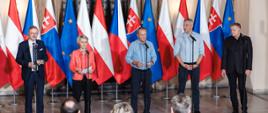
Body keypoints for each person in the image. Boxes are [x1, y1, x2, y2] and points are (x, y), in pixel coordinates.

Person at [173, 19, 204, 113]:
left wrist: (196, 64)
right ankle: (179, 109)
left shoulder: (198, 37)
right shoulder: (180, 37)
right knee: (181, 88)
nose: (184, 27)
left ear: (191, 26)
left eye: (186, 25)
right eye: (184, 25)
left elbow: (201, 53)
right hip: (183, 66)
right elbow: (176, 53)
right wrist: (183, 64)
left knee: (195, 88)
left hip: (195, 66)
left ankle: (196, 109)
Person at [221, 23, 253, 113]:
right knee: (232, 89)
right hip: (230, 69)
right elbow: (225, 55)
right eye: (231, 30)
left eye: (234, 30)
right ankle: (235, 108)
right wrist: (223, 68)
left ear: (239, 29)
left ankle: (244, 108)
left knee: (242, 88)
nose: (232, 31)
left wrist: (249, 68)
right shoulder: (227, 40)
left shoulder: (246, 40)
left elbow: (250, 55)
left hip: (242, 68)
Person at [16, 26, 48, 113]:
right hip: (28, 74)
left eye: (35, 33)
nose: (34, 35)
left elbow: (46, 57)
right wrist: (28, 64)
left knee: (40, 97)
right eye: (32, 33)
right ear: (28, 34)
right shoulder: (22, 45)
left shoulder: (41, 43)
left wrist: (42, 60)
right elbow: (18, 59)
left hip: (39, 74)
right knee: (29, 97)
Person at [126, 27, 157, 113]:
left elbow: (154, 56)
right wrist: (134, 62)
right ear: (137, 35)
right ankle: (134, 111)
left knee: (147, 93)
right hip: (136, 71)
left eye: (145, 34)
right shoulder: (133, 45)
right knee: (134, 93)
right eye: (141, 34)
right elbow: (127, 58)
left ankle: (146, 111)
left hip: (147, 71)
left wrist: (151, 62)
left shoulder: (149, 44)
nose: (143, 36)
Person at [69, 35, 95, 113]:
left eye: (85, 42)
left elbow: (93, 65)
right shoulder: (75, 53)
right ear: (79, 43)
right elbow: (71, 66)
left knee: (88, 98)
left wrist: (92, 70)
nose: (84, 44)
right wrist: (77, 70)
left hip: (88, 78)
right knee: (76, 98)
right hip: (77, 78)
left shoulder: (90, 52)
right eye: (82, 42)